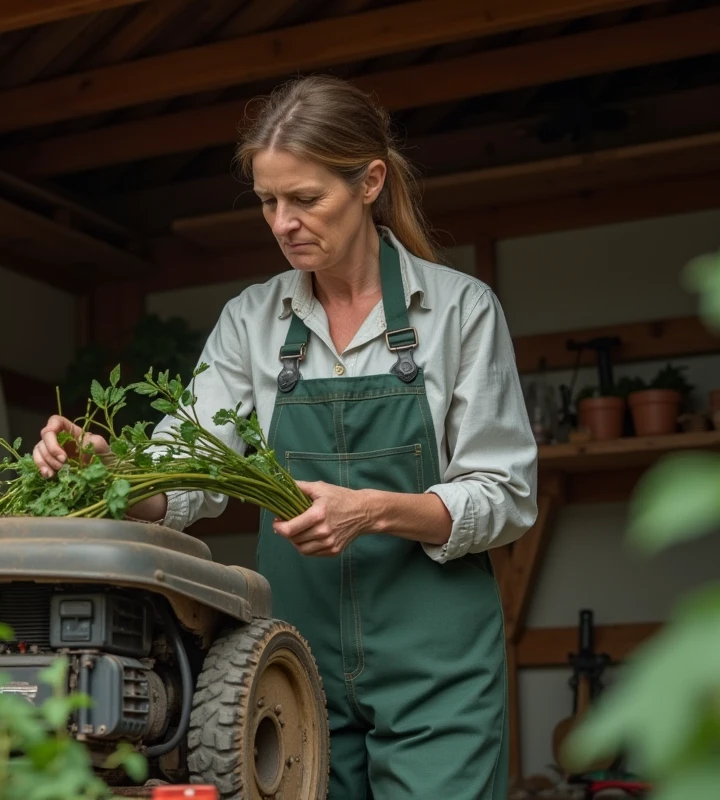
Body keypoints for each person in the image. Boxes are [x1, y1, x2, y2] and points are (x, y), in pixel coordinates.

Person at [33, 74, 538, 799]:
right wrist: (114, 475)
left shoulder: (459, 311)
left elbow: (505, 495)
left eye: (305, 199)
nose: (283, 222)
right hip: (296, 660)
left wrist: (371, 510)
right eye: (268, 201)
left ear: (369, 183)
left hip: (437, 665)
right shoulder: (252, 320)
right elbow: (189, 476)